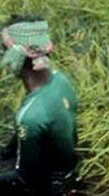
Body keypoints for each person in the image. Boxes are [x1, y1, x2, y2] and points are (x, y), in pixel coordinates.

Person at [0, 17, 78, 196]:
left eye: (4, 49)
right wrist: (8, 151)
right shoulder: (60, 79)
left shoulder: (30, 117)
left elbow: (25, 177)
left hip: (49, 183)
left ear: (16, 58)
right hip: (66, 163)